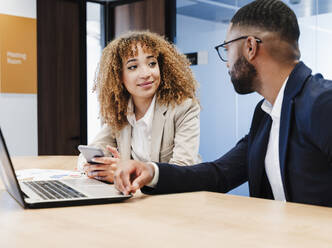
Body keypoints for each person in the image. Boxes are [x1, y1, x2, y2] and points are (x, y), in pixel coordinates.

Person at [112, 0, 332, 207]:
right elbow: (219, 174)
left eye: (227, 49)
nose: (226, 62)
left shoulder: (323, 103)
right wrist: (151, 171)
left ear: (250, 47)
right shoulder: (266, 113)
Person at [80, 31, 201, 183]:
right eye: (133, 67)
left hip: (177, 199)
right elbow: (91, 151)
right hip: (137, 199)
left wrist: (125, 171)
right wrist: (99, 165)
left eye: (152, 64)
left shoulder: (184, 108)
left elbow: (182, 169)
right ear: (118, 76)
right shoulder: (120, 111)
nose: (145, 73)